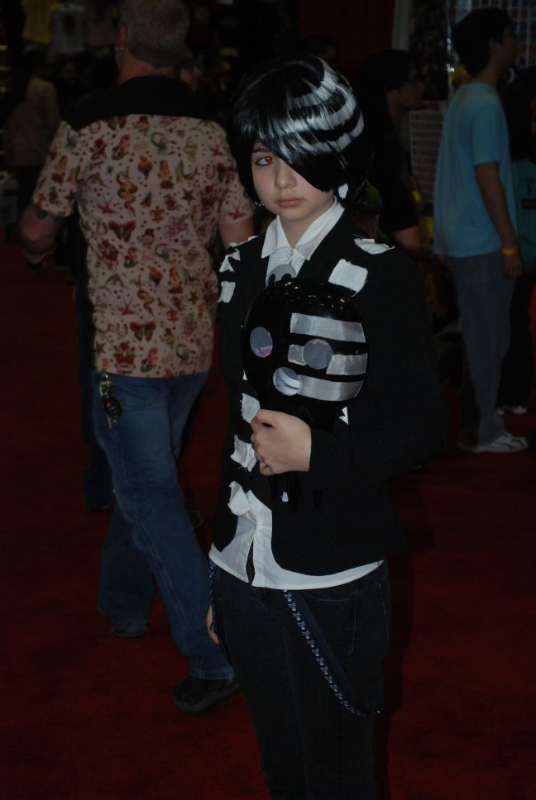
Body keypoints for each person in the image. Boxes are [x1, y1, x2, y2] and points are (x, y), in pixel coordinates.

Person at [208, 56, 447, 797]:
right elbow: (237, 423)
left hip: (335, 567)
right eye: (264, 158)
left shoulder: (381, 273)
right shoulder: (239, 266)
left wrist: (319, 451)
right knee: (281, 765)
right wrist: (225, 560)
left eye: (301, 156)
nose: (282, 179)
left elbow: (423, 428)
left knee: (339, 774)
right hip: (245, 558)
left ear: (340, 156)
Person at [19, 0, 253, 714]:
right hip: (190, 343)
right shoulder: (211, 132)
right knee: (143, 476)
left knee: (149, 492)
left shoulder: (89, 124)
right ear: (180, 47)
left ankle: (214, 652)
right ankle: (124, 601)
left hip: (123, 350)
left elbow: (38, 227)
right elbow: (239, 239)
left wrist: (34, 245)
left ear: (121, 39)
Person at [433, 8, 527, 454]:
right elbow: (488, 178)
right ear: (493, 45)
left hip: (465, 236)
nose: (515, 42)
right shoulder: (485, 102)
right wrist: (510, 243)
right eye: (509, 35)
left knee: (486, 336)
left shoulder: (466, 96)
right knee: (488, 339)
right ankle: (484, 430)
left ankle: (481, 424)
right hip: (480, 239)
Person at [356, 49, 425, 260]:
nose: (422, 87)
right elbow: (398, 214)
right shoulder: (379, 146)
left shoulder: (379, 135)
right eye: (414, 81)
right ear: (391, 90)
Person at [497, 69, 536, 415]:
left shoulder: (508, 144)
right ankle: (513, 394)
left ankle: (511, 394)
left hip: (517, 245)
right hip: (517, 245)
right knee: (513, 320)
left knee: (512, 319)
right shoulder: (511, 145)